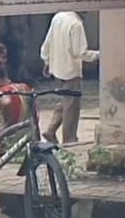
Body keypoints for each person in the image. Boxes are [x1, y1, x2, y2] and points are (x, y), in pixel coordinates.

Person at [40, 10, 98, 145]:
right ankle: (69, 140)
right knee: (72, 106)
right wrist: (99, 54)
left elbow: (47, 43)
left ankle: (51, 129)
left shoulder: (58, 17)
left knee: (65, 100)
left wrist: (47, 61)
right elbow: (80, 52)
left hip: (57, 68)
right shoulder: (76, 24)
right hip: (70, 70)